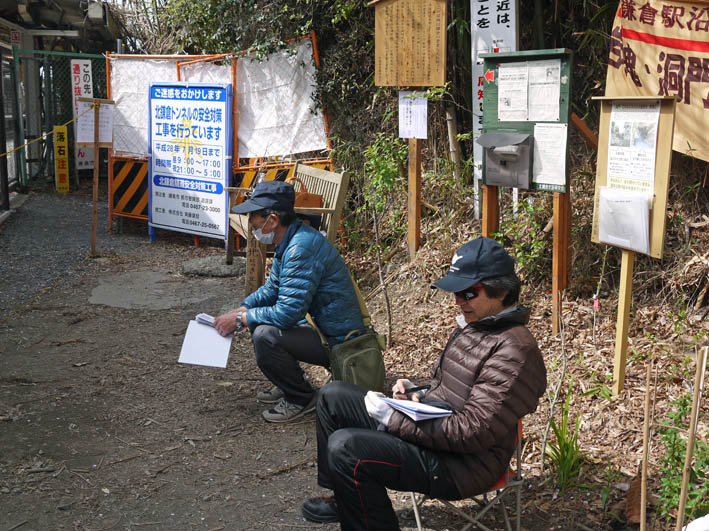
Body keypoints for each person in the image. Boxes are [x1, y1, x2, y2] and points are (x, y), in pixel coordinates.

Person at [301, 236, 547, 529]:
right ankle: (345, 497)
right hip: (435, 434)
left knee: (346, 448)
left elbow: (472, 432)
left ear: (502, 291)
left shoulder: (515, 351)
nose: (458, 301)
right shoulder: (479, 325)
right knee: (332, 396)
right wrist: (415, 390)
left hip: (464, 465)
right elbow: (445, 386)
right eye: (456, 292)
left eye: (468, 293)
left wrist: (394, 418)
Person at [214, 180, 364, 423]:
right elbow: (273, 287)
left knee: (264, 334)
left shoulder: (300, 248)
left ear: (272, 220)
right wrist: (244, 307)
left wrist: (242, 319)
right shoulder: (291, 239)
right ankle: (290, 383)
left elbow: (286, 313)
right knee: (260, 325)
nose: (251, 224)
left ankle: (300, 398)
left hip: (339, 341)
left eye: (254, 217)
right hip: (320, 328)